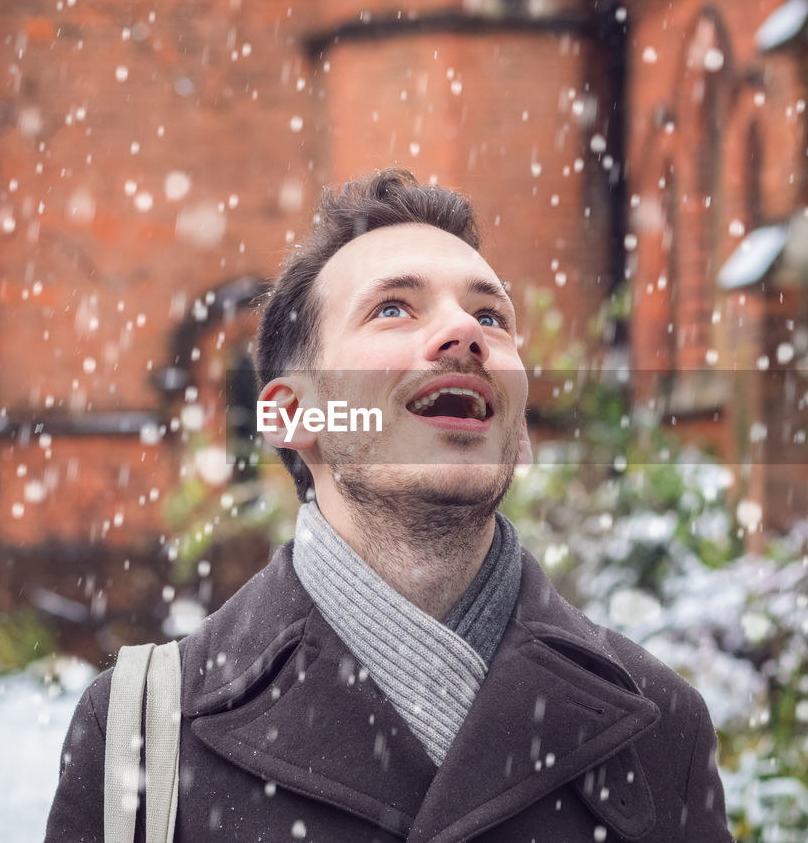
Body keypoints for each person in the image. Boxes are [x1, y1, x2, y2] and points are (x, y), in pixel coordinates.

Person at [45, 169, 733, 841]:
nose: (464, 332)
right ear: (293, 413)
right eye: (394, 308)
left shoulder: (662, 729)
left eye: (490, 315)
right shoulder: (142, 730)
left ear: (518, 429)